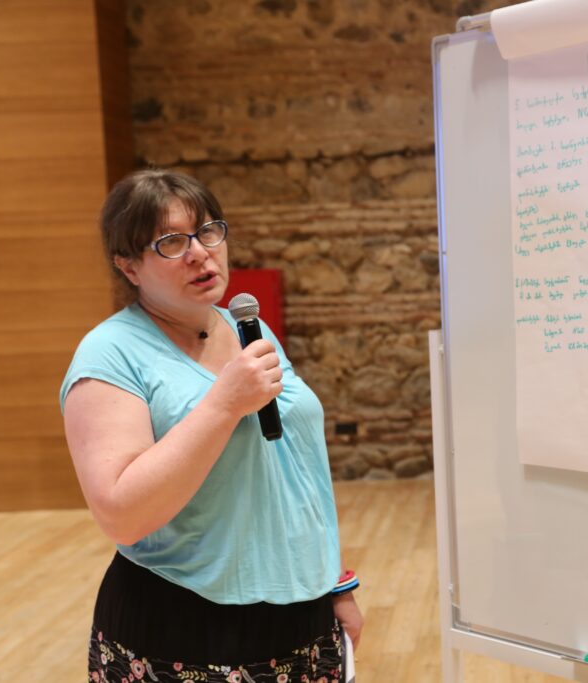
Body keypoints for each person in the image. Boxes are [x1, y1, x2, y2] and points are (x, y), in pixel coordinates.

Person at [60, 168, 362, 683]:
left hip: (304, 619)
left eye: (207, 231)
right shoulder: (110, 355)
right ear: (128, 266)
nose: (200, 253)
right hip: (184, 628)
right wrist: (223, 405)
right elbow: (122, 515)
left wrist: (336, 584)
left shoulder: (246, 326)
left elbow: (294, 474)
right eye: (171, 242)